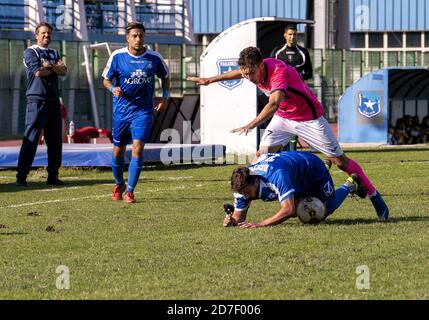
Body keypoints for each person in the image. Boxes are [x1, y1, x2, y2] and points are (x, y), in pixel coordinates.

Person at [187, 46, 389, 221]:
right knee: (262, 155)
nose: (247, 78)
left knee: (341, 162)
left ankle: (374, 196)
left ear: (260, 66)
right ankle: (260, 200)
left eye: (250, 74)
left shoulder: (278, 72)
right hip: (284, 119)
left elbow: (274, 103)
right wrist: (210, 80)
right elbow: (237, 73)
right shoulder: (252, 69)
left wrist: (252, 123)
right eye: (245, 73)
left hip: (308, 119)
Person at [102, 21, 170, 204]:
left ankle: (130, 191)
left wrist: (165, 97)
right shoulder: (117, 56)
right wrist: (113, 89)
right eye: (134, 36)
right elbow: (106, 80)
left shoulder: (154, 58)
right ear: (127, 38)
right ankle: (119, 184)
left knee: (138, 148)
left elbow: (165, 77)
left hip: (143, 112)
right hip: (122, 112)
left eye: (140, 35)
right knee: (117, 152)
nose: (138, 39)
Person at [224, 151, 365, 228]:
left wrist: (261, 224)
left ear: (256, 181)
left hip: (311, 169)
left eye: (247, 193)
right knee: (300, 211)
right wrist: (232, 221)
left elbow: (288, 209)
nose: (245, 197)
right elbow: (239, 216)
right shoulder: (242, 186)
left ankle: (352, 183)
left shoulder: (276, 176)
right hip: (293, 172)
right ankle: (326, 168)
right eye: (242, 194)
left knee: (320, 211)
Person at [16, 22, 68, 186]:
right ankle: (21, 177)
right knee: (31, 139)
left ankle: (53, 176)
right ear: (37, 35)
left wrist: (49, 66)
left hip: (53, 101)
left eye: (49, 33)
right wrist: (52, 69)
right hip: (36, 100)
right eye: (43, 33)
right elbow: (38, 72)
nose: (47, 36)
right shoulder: (30, 51)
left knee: (55, 141)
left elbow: (64, 71)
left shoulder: (54, 52)